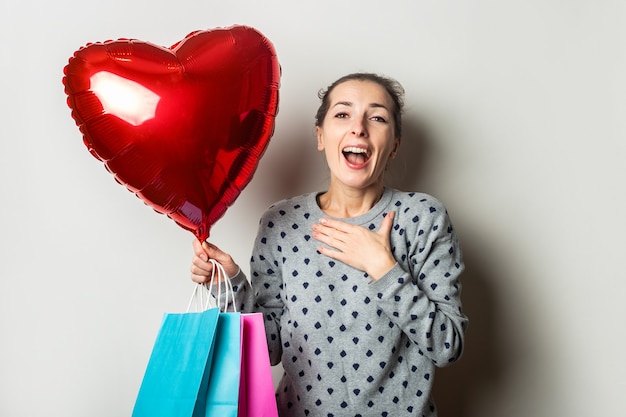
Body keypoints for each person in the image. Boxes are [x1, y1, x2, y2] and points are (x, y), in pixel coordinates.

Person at [191, 72, 468, 417]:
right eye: (342, 114)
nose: (359, 128)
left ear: (395, 143)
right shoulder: (280, 223)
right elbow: (269, 349)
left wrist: (383, 267)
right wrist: (228, 283)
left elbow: (446, 345)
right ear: (321, 136)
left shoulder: (423, 218)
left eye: (377, 117)